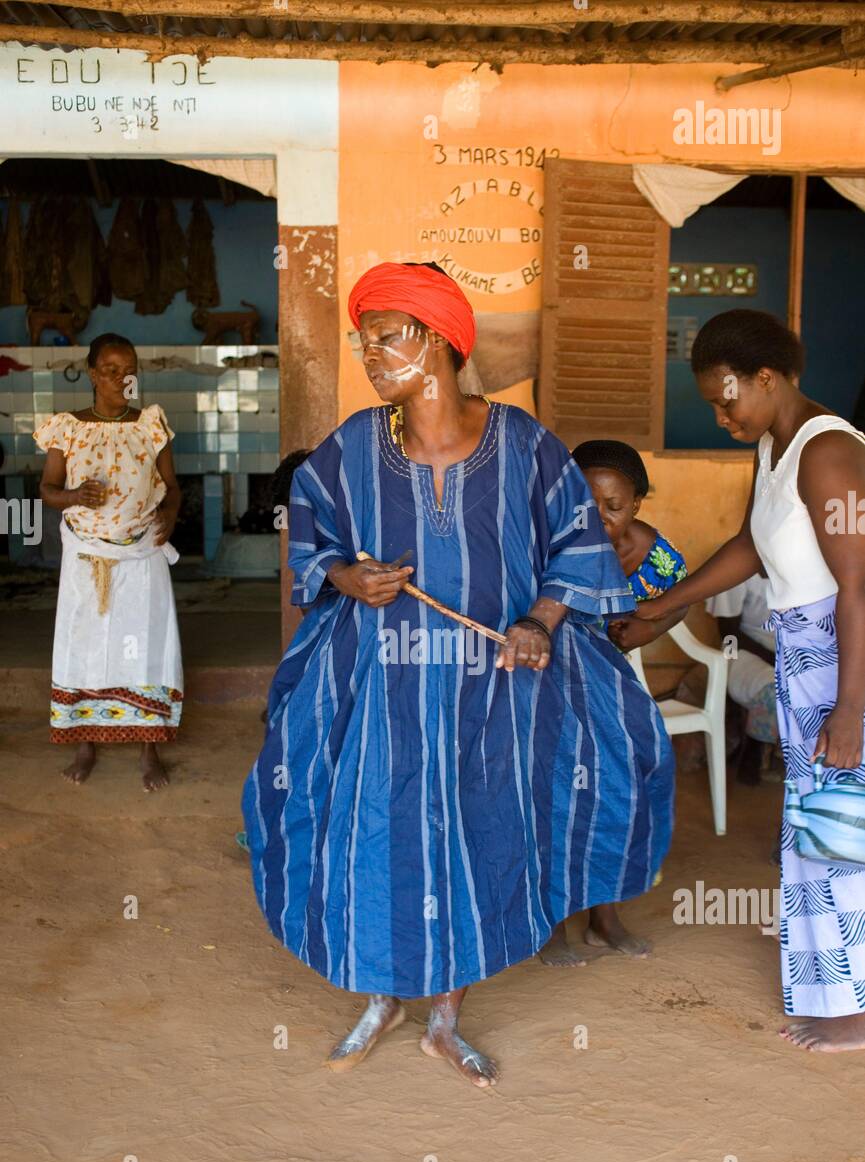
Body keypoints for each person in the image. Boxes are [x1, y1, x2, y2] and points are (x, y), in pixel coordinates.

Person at [242, 261, 675, 1087]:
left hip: (492, 694)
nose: (371, 355)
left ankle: (444, 1018)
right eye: (363, 340)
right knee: (374, 830)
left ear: (439, 339)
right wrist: (344, 579)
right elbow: (310, 533)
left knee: (474, 837)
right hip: (380, 688)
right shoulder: (351, 447)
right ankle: (382, 997)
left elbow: (575, 548)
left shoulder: (525, 445)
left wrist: (538, 622)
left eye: (388, 336)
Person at [633, 308, 865, 1053]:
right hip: (805, 657)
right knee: (815, 829)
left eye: (725, 396)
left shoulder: (827, 449)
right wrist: (662, 607)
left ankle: (855, 1011)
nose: (719, 413)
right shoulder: (774, 447)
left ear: (766, 378)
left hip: (841, 653)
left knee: (842, 834)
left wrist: (850, 708)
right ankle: (833, 992)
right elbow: (750, 547)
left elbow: (859, 586)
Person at [541, 439, 687, 964]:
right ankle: (550, 923)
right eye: (586, 503)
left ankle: (604, 917)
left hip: (608, 691)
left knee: (621, 791)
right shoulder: (546, 542)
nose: (598, 518)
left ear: (637, 506)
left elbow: (680, 601)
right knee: (554, 794)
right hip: (545, 686)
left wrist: (649, 628)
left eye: (614, 507)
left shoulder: (653, 556)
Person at [35, 333, 182, 790]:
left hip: (142, 554)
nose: (123, 378)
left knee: (144, 643)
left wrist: (171, 516)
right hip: (86, 555)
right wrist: (75, 495)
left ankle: (148, 747)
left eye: (130, 368)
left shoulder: (151, 424)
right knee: (86, 643)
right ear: (94, 374)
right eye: (112, 370)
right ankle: (85, 742)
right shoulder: (67, 427)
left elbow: (172, 487)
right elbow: (46, 490)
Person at [706, 576, 778, 786]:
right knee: (776, 688)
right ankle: (753, 752)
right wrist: (777, 659)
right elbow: (728, 634)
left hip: (790, 651)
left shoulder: (800, 563)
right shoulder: (737, 573)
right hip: (738, 651)